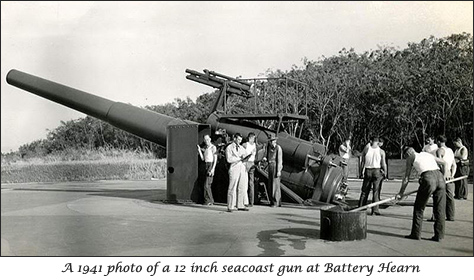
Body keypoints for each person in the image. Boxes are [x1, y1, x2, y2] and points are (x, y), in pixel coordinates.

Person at [396, 147, 447, 242]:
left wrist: (401, 193)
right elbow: (444, 163)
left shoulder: (411, 157)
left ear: (408, 153)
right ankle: (439, 235)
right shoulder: (426, 154)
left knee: (419, 207)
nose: (407, 159)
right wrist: (444, 177)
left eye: (406, 156)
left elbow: (406, 178)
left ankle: (416, 234)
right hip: (440, 177)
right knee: (439, 208)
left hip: (428, 178)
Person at [359, 137, 387, 215]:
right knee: (376, 191)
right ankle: (375, 210)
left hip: (368, 170)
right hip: (377, 171)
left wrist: (361, 172)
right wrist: (385, 172)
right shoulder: (381, 151)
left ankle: (361, 208)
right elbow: (383, 164)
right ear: (378, 142)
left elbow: (362, 162)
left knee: (364, 191)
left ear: (371, 141)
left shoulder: (366, 150)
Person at [225, 133, 250, 212]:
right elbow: (229, 159)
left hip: (242, 167)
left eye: (240, 140)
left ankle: (241, 204)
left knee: (242, 186)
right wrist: (238, 158)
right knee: (232, 186)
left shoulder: (242, 148)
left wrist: (245, 158)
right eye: (238, 139)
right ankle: (230, 206)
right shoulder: (229, 147)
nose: (239, 141)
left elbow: (246, 156)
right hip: (234, 167)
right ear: (234, 138)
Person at [197, 134, 217, 205]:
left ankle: (208, 200)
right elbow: (203, 158)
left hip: (210, 165)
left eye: (207, 139)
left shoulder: (213, 147)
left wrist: (213, 169)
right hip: (206, 164)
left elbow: (215, 159)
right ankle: (210, 200)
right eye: (205, 140)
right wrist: (199, 150)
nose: (206, 141)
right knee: (207, 184)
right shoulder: (206, 148)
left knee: (207, 184)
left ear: (210, 139)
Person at [265, 133, 283, 207]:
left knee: (275, 184)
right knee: (270, 184)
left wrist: (279, 170)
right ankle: (272, 200)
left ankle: (276, 201)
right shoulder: (268, 147)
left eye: (273, 140)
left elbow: (279, 160)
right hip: (270, 166)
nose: (272, 142)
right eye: (271, 141)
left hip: (275, 166)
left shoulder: (278, 148)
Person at [242, 132, 257, 207]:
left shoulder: (249, 145)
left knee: (248, 182)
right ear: (250, 138)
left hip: (249, 163)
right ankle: (249, 200)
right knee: (249, 182)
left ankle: (248, 201)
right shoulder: (249, 145)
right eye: (253, 138)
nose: (254, 139)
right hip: (249, 163)